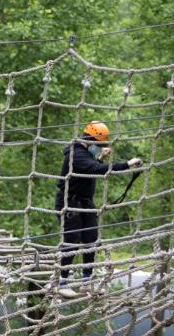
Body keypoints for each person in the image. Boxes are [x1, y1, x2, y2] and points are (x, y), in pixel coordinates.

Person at [55, 121, 142, 298]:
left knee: (91, 240)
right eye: (99, 145)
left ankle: (87, 282)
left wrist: (100, 156)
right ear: (89, 141)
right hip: (70, 203)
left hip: (85, 203)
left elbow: (88, 171)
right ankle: (61, 281)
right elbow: (95, 169)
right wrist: (127, 164)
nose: (100, 147)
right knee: (71, 240)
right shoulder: (75, 153)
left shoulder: (84, 154)